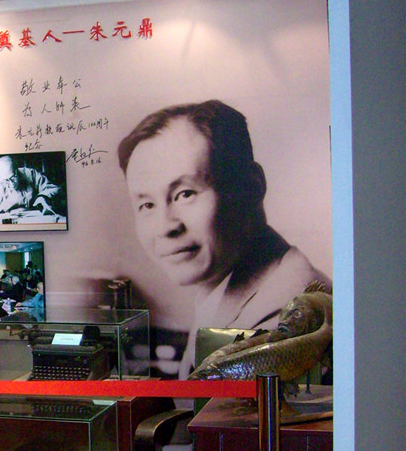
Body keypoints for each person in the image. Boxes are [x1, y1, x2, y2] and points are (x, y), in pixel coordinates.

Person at [117, 99, 330, 376]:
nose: (165, 227)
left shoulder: (284, 314)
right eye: (147, 205)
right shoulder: (224, 289)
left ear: (252, 186)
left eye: (185, 194)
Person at [0, 155, 62, 223]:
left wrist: (43, 196)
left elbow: (54, 188)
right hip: (9, 222)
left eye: (13, 177)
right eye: (5, 181)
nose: (11, 183)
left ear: (17, 170)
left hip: (34, 218)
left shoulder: (30, 174)